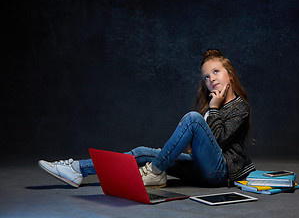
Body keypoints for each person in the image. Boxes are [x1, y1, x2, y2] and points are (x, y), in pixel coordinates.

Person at [38, 49, 255, 188]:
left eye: (216, 72)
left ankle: (155, 171)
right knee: (143, 152)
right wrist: (212, 109)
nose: (211, 79)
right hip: (201, 168)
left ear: (230, 75)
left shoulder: (240, 108)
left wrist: (214, 109)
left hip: (219, 172)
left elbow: (217, 143)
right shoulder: (211, 107)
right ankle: (77, 169)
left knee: (192, 119)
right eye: (206, 77)